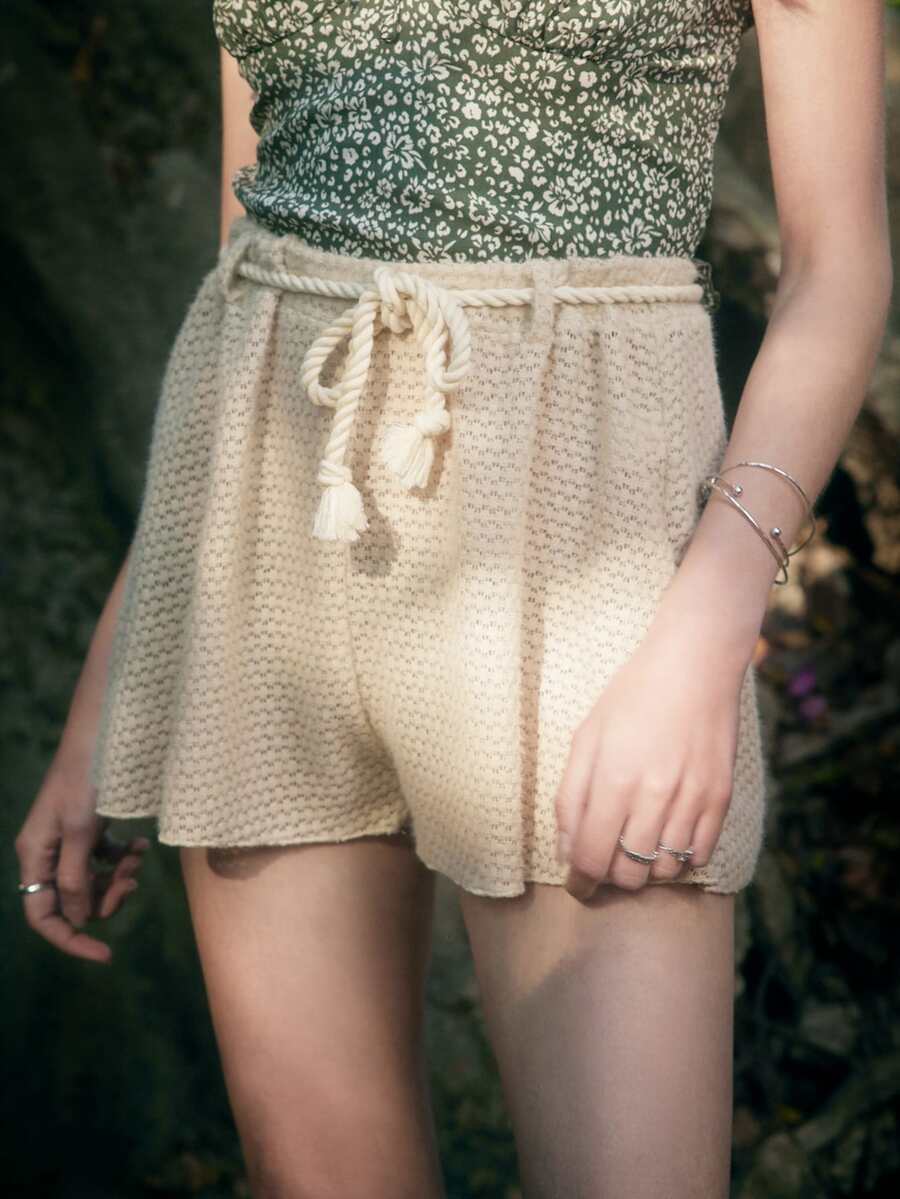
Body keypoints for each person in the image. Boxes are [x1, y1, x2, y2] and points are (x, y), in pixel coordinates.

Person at [15, 2, 892, 1196]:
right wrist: (120, 669)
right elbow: (250, 243)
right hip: (269, 536)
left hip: (581, 521)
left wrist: (705, 631)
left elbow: (839, 273)